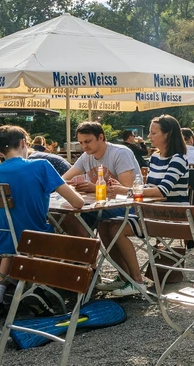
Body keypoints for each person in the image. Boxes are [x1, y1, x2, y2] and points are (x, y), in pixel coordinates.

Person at [0, 125, 85, 318]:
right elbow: (77, 203)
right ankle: (36, 289)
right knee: (50, 229)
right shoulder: (41, 166)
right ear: (23, 143)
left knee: (14, 234)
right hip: (34, 241)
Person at [60, 122, 144, 297]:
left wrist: (93, 188)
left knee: (106, 226)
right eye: (81, 143)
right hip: (100, 207)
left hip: (127, 207)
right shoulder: (86, 156)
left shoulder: (120, 153)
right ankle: (89, 269)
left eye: (88, 141)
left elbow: (127, 189)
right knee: (66, 219)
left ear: (101, 137)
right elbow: (63, 180)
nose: (85, 146)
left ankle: (133, 279)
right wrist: (74, 185)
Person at [143, 115, 189, 204]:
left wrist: (127, 191)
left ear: (167, 135)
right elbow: (148, 187)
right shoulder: (154, 157)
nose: (149, 136)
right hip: (152, 211)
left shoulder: (178, 159)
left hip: (174, 213)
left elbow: (162, 191)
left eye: (153, 133)